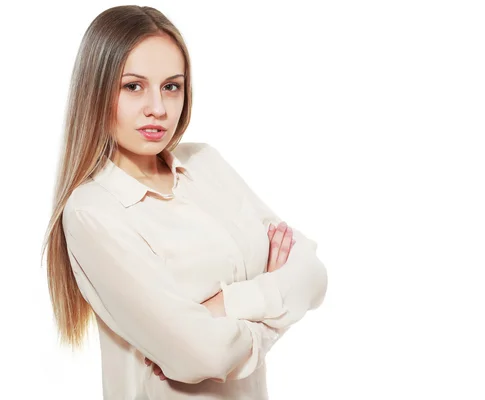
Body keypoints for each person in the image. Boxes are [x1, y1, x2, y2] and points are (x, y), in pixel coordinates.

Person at [41, 5, 328, 399]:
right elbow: (205, 356)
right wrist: (275, 297)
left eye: (171, 86)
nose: (157, 108)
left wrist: (223, 304)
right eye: (133, 86)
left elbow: (313, 274)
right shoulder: (92, 212)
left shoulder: (205, 163)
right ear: (96, 90)